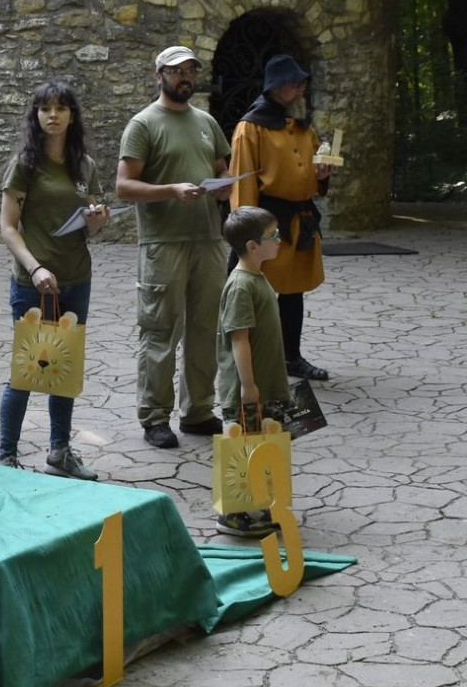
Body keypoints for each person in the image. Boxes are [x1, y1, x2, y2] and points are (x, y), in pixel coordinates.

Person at [115, 45, 233, 450]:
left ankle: (198, 411)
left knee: (205, 330)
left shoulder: (207, 123)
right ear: (159, 75)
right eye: (176, 70)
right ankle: (154, 417)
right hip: (162, 242)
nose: (185, 77)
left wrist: (224, 188)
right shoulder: (143, 124)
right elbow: (124, 186)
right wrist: (169, 189)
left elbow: (221, 170)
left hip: (209, 240)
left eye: (190, 71)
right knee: (161, 331)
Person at [0, 81, 109, 480]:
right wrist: (35, 267)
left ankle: (59, 452)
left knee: (63, 366)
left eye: (61, 108)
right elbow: (8, 227)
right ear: (36, 116)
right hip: (33, 282)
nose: (53, 115)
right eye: (45, 108)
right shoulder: (25, 164)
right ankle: (7, 457)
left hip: (77, 277)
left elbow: (90, 229)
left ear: (72, 116)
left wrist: (96, 221)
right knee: (27, 369)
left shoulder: (85, 166)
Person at [229, 54, 338, 381]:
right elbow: (243, 182)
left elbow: (316, 181)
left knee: (293, 292)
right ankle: (251, 362)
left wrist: (323, 173)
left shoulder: (303, 129)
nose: (301, 91)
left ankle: (291, 357)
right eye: (295, 84)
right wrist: (248, 236)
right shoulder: (250, 128)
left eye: (303, 84)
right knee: (256, 294)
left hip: (300, 220)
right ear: (276, 88)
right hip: (267, 223)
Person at [215, 206, 292, 538]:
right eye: (272, 236)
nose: (279, 240)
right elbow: (239, 338)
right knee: (243, 446)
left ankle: (258, 503)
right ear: (251, 245)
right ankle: (234, 514)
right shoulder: (240, 285)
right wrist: (248, 386)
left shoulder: (257, 277)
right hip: (249, 386)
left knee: (261, 444)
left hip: (266, 382)